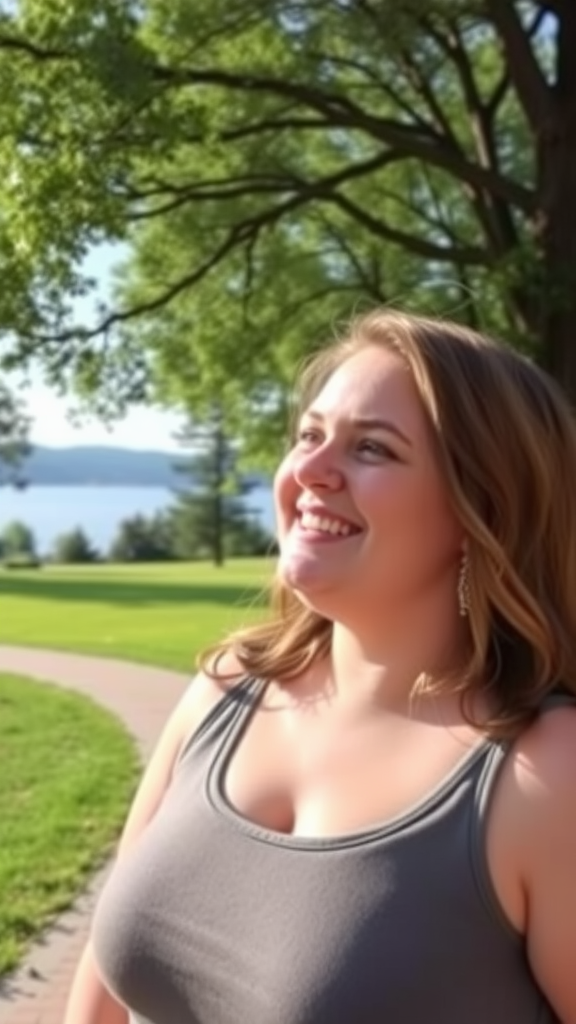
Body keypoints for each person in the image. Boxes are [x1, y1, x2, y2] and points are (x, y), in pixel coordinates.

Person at [65, 309, 576, 1024]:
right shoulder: (226, 688)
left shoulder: (544, 771)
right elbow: (100, 981)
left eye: (372, 448)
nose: (307, 470)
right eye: (309, 435)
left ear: (482, 511)